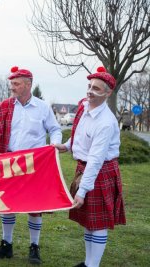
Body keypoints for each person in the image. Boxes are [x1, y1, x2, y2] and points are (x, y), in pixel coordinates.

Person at [0, 66, 62, 264]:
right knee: (7, 205)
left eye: (16, 84)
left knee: (35, 206)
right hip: (9, 163)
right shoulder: (5, 106)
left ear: (28, 84)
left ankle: (34, 246)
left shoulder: (42, 107)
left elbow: (55, 129)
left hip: (35, 164)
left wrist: (54, 144)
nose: (12, 87)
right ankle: (6, 245)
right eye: (12, 84)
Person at [54, 67, 126, 267]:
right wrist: (66, 146)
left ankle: (93, 265)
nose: (90, 91)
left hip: (101, 171)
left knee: (99, 223)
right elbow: (78, 133)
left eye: (96, 88)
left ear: (108, 92)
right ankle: (88, 262)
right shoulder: (84, 107)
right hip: (85, 168)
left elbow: (95, 159)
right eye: (89, 86)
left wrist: (82, 191)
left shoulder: (106, 122)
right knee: (88, 221)